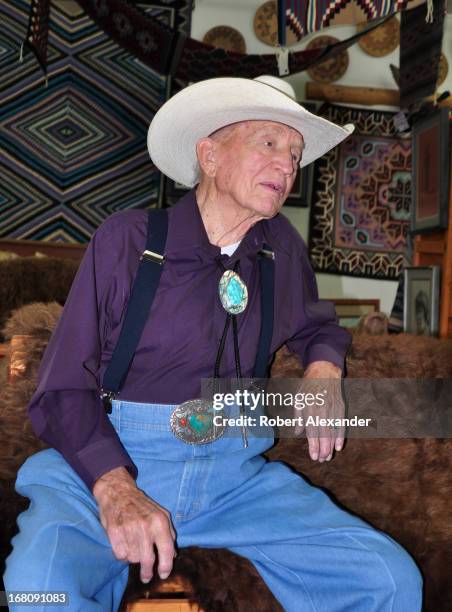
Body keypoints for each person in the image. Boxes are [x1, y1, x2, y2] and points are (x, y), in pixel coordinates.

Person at [4, 76, 422, 611]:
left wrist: (323, 371)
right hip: (117, 461)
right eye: (269, 143)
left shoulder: (281, 250)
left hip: (235, 477)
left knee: (388, 580)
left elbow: (319, 324)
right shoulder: (129, 241)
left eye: (295, 154)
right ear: (210, 155)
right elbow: (62, 385)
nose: (288, 166)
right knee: (40, 587)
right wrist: (114, 489)